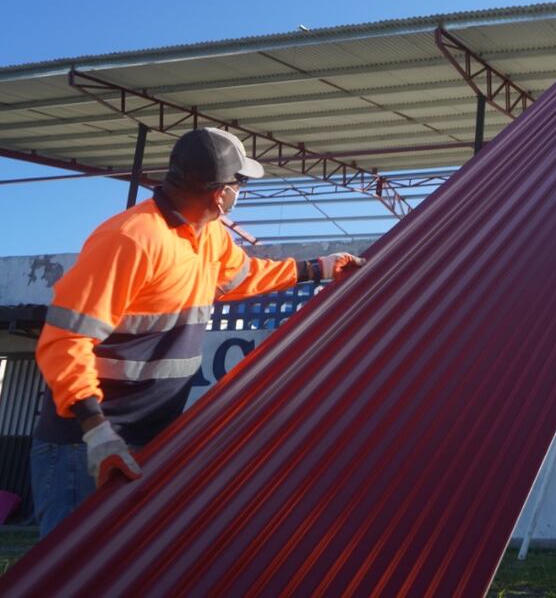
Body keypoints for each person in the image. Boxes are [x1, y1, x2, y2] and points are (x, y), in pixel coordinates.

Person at [30, 127, 366, 536]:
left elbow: (244, 276)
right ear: (220, 193)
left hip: (148, 435)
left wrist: (319, 268)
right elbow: (66, 340)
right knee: (74, 563)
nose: (240, 192)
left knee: (123, 560)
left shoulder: (208, 238)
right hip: (85, 444)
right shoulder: (132, 238)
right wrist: (96, 429)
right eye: (240, 183)